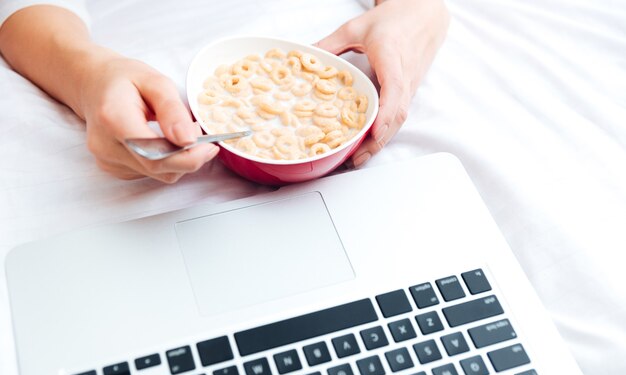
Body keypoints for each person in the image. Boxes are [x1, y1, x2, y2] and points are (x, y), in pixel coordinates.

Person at [0, 0, 449, 183]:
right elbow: (24, 16)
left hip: (357, 80)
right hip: (155, 95)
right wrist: (90, 76)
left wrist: (411, 16)